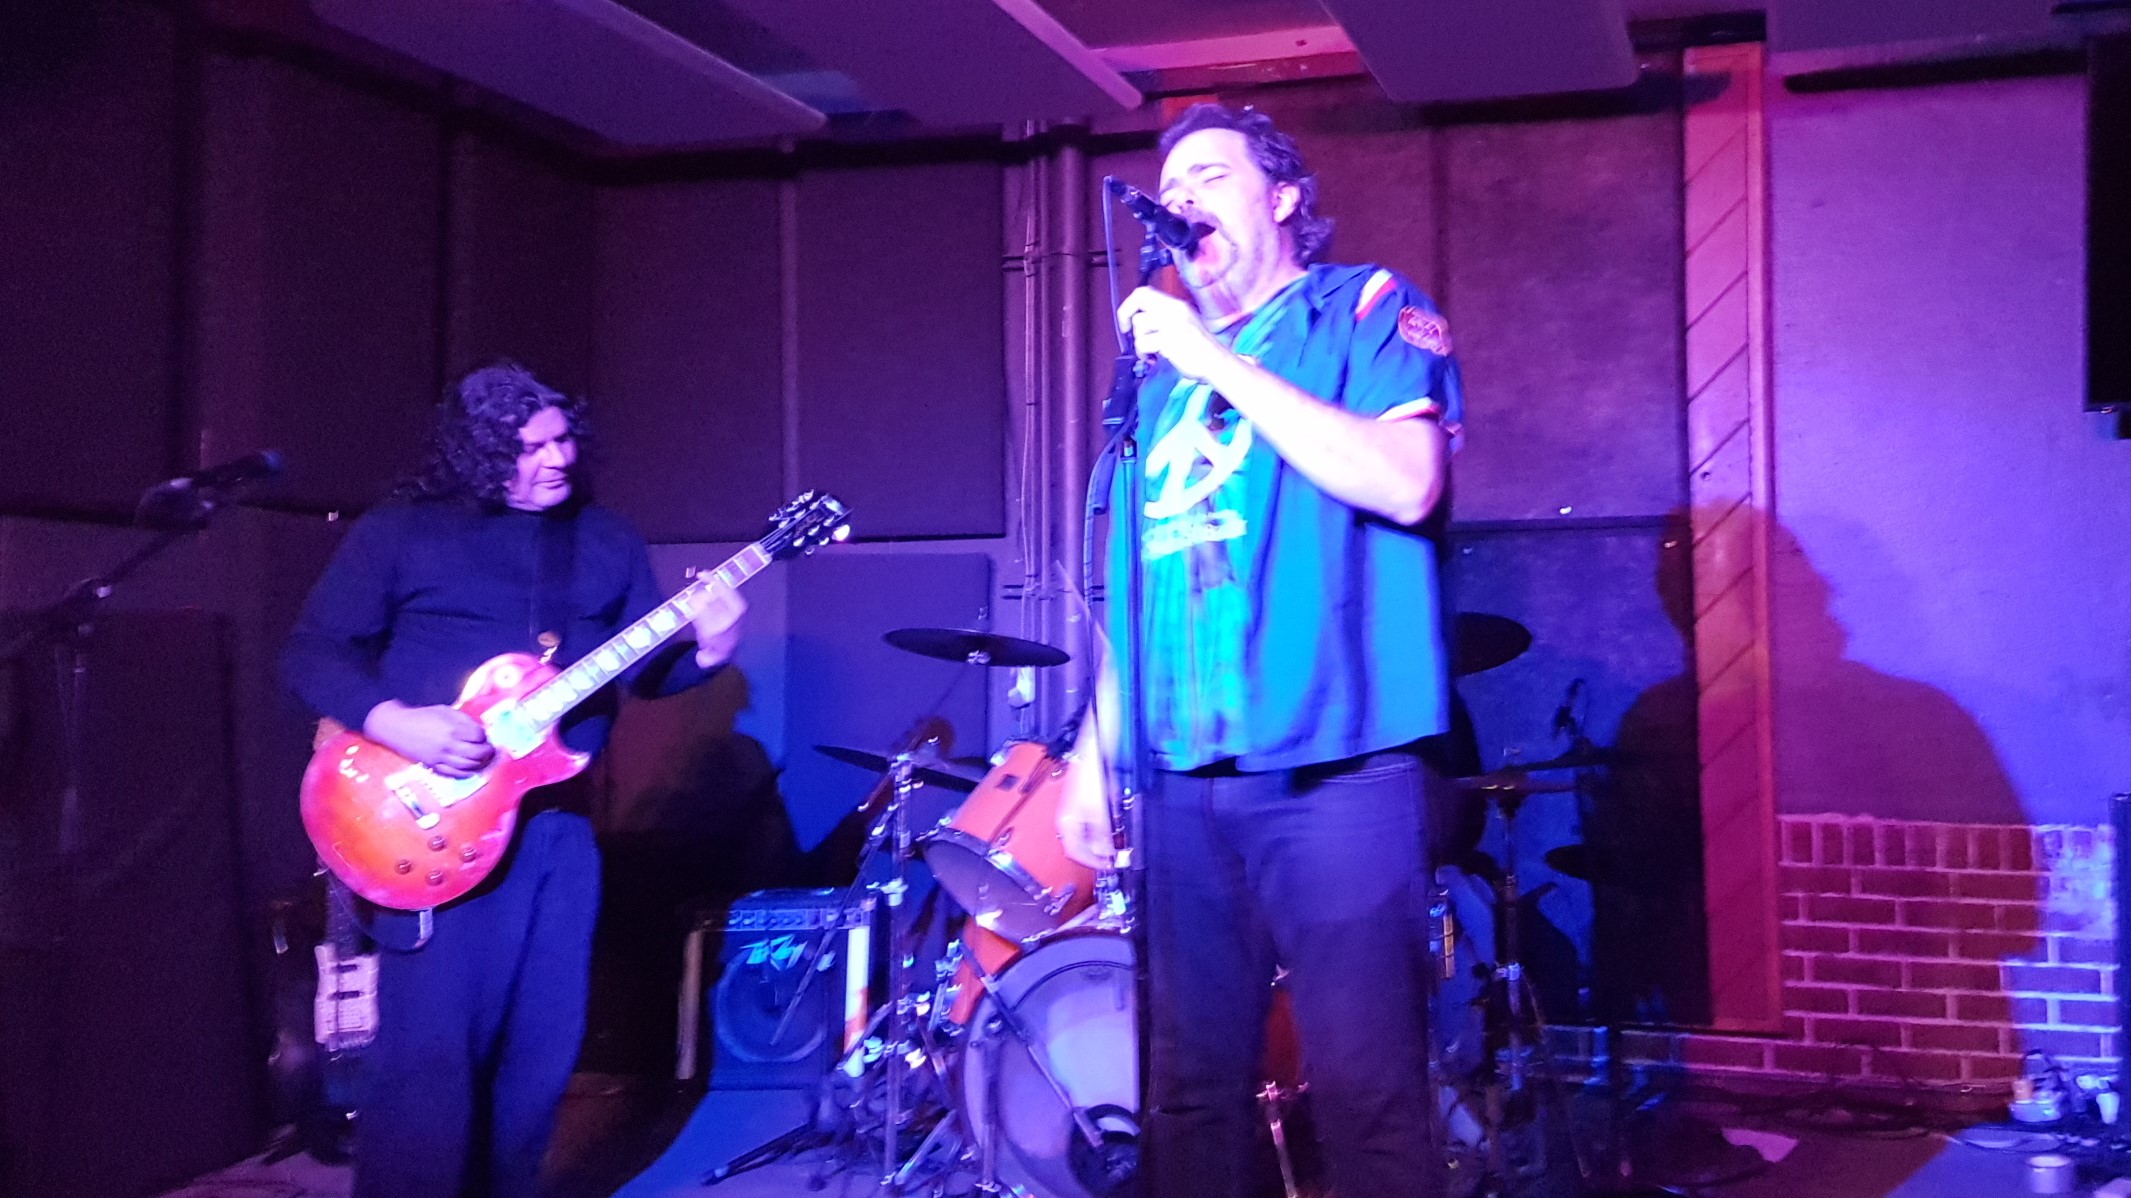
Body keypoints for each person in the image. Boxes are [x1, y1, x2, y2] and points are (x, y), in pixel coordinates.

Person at [1058, 104, 1464, 1198]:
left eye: (1209, 175)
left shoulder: (1363, 307)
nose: (1181, 198)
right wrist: (1095, 752)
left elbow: (1405, 481)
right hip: (1180, 780)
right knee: (1186, 1094)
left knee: (1366, 1091)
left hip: (1335, 767)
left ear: (1282, 197)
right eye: (1170, 185)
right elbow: (1143, 586)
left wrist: (1213, 360)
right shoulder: (1153, 386)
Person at [282, 362, 744, 1198]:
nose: (556, 459)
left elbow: (641, 674)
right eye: (529, 449)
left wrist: (708, 653)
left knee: (539, 1056)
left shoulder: (603, 539)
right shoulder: (402, 533)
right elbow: (312, 653)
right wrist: (394, 720)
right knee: (428, 1063)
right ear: (477, 454)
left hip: (556, 827)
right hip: (425, 819)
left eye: (562, 439)